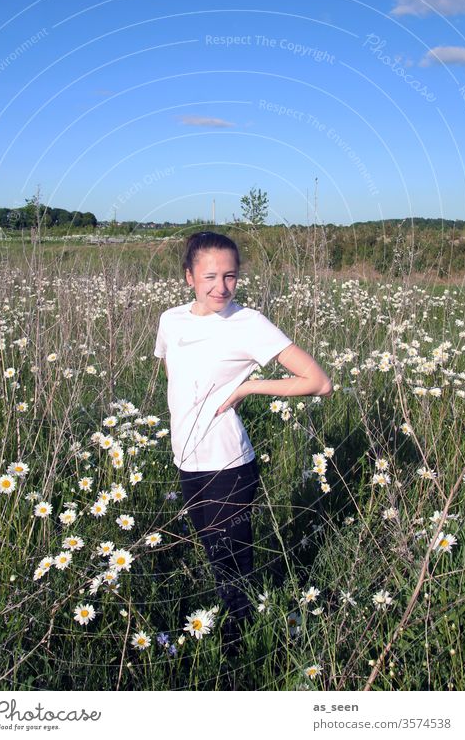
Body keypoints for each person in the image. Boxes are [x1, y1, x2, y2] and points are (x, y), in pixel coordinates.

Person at [153, 231, 332, 649]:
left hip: (227, 466)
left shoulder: (248, 323)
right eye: (210, 276)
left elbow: (319, 382)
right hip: (187, 460)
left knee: (232, 565)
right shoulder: (170, 320)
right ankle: (236, 630)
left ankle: (240, 649)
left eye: (230, 276)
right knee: (216, 558)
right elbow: (174, 377)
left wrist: (247, 389)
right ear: (189, 277)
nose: (221, 287)